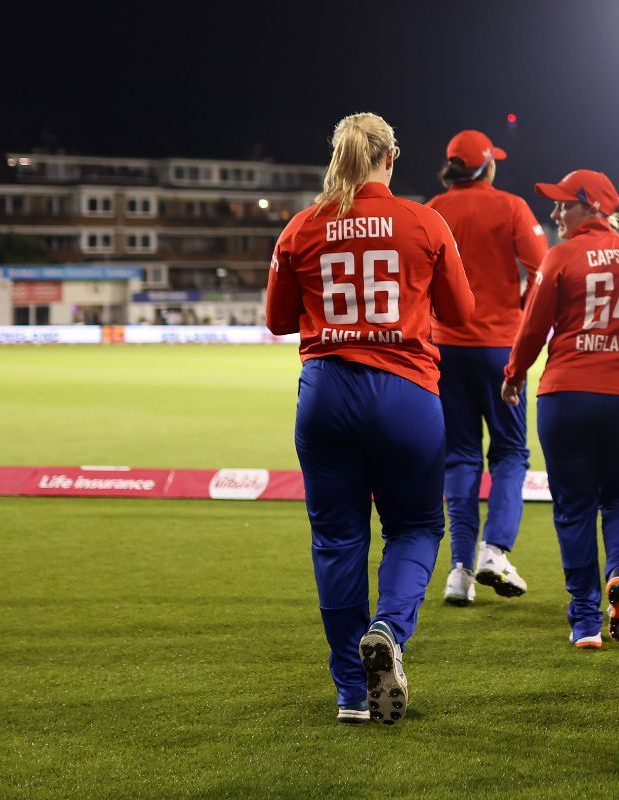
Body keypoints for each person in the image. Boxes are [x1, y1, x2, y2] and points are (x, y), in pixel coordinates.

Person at [264, 112, 474, 725]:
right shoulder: (425, 221)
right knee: (414, 527)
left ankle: (351, 693)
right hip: (406, 391)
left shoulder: (302, 226)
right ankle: (388, 628)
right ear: (392, 157)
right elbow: (460, 312)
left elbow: (279, 321)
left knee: (337, 540)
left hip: (326, 393)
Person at [501, 169, 619, 650]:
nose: (556, 213)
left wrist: (513, 373)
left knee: (573, 508)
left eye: (565, 204)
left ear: (592, 207)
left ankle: (585, 620)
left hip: (567, 394)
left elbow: (532, 328)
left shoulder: (561, 255)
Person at [428, 130, 551, 605]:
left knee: (459, 457)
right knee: (509, 454)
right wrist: (521, 306)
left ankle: (458, 571)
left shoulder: (433, 208)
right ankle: (495, 551)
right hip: (500, 345)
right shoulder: (511, 207)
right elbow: (542, 269)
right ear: (487, 167)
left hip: (445, 347)